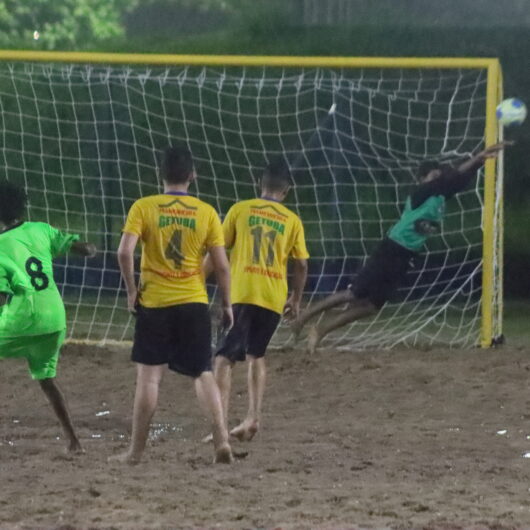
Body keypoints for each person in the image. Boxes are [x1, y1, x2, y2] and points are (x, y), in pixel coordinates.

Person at [292, 142, 509, 354]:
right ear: (422, 179)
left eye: (437, 176)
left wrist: (480, 161)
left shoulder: (440, 195)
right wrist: (476, 158)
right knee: (353, 293)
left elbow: (458, 180)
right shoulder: (420, 193)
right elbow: (451, 177)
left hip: (407, 256)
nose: (437, 179)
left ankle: (320, 330)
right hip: (392, 248)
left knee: (371, 306)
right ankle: (304, 316)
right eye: (432, 177)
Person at [110, 144, 234, 465]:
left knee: (149, 377)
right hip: (193, 302)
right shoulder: (206, 212)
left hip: (155, 303)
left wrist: (131, 289)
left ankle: (136, 453)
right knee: (202, 373)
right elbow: (221, 265)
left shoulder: (144, 206)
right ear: (192, 175)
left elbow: (124, 252)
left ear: (161, 174)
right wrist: (228, 303)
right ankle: (222, 440)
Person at [205, 161, 309, 442]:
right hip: (273, 297)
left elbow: (217, 251)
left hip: (242, 293)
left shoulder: (241, 209)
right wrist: (296, 299)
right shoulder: (292, 221)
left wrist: (194, 280)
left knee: (223, 359)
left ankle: (220, 427)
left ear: (259, 185)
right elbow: (301, 264)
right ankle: (253, 417)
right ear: (286, 191)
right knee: (256, 355)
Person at [0, 181, 97, 453]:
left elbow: (1, 296)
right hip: (55, 321)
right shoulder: (41, 229)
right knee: (46, 380)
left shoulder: (1, 246)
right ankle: (73, 441)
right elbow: (75, 245)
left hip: (24, 319)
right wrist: (86, 248)